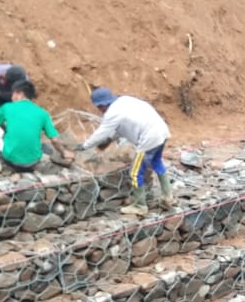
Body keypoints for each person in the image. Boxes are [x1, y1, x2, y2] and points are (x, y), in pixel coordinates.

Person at [74, 86, 173, 215]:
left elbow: (101, 132)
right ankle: (168, 197)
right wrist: (109, 140)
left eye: (99, 107)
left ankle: (140, 206)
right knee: (157, 162)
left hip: (149, 139)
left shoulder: (112, 113)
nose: (99, 110)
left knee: (135, 173)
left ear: (102, 105)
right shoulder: (125, 101)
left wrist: (84, 146)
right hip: (162, 132)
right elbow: (120, 128)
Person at [0, 80, 69, 173]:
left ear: (20, 94)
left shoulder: (8, 107)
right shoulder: (42, 113)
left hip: (11, 160)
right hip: (34, 162)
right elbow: (55, 140)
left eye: (13, 94)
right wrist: (64, 153)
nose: (12, 97)